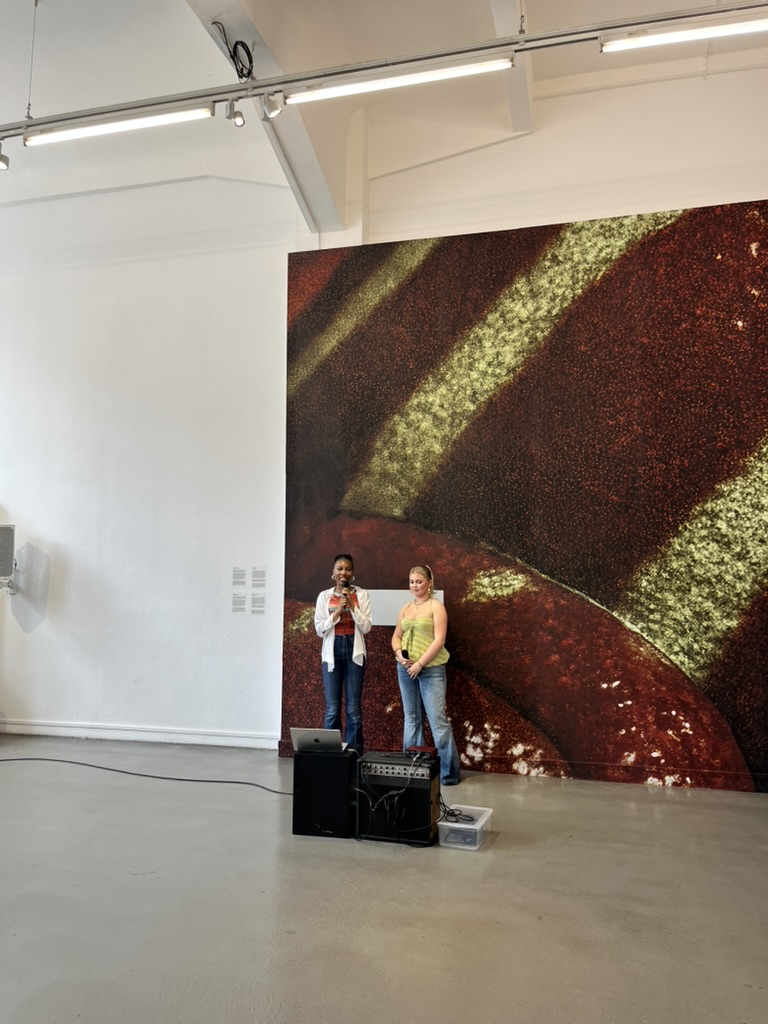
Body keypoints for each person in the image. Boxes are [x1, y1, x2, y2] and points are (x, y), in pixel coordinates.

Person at [392, 565, 460, 785]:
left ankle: (448, 774)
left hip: (431, 670)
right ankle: (412, 769)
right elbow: (396, 636)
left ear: (429, 583)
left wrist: (420, 664)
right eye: (412, 581)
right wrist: (399, 655)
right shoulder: (405, 608)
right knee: (411, 718)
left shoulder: (436, 607)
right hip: (405, 669)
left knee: (437, 720)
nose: (414, 585)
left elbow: (439, 640)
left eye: (419, 581)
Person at [314, 553, 372, 754]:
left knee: (353, 710)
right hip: (333, 652)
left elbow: (366, 627)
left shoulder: (361, 595)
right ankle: (331, 755)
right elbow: (319, 629)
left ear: (352, 572)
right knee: (332, 709)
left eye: (347, 569)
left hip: (354, 651)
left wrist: (352, 607)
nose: (343, 573)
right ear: (333, 572)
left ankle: (354, 755)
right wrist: (337, 613)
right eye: (339, 568)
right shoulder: (324, 596)